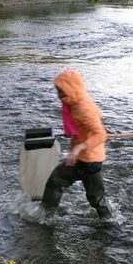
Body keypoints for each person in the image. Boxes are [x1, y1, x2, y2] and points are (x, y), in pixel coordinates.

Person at [41, 69, 111, 218]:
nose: (58, 95)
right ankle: (45, 215)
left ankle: (111, 224)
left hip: (89, 160)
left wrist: (79, 147)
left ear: (72, 89)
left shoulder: (83, 107)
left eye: (61, 91)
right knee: (55, 181)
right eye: (58, 91)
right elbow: (98, 117)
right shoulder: (77, 100)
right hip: (81, 157)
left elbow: (101, 134)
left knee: (95, 198)